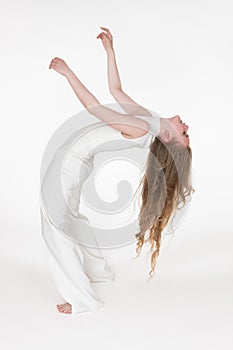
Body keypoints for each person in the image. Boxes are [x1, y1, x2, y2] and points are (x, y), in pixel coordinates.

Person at [44, 27, 194, 314]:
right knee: (70, 220)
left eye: (185, 134)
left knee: (55, 228)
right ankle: (97, 272)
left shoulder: (141, 128)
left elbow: (95, 108)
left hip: (70, 164)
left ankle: (82, 300)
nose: (187, 128)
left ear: (170, 139)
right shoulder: (150, 119)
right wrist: (110, 52)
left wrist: (68, 73)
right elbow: (116, 91)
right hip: (74, 163)